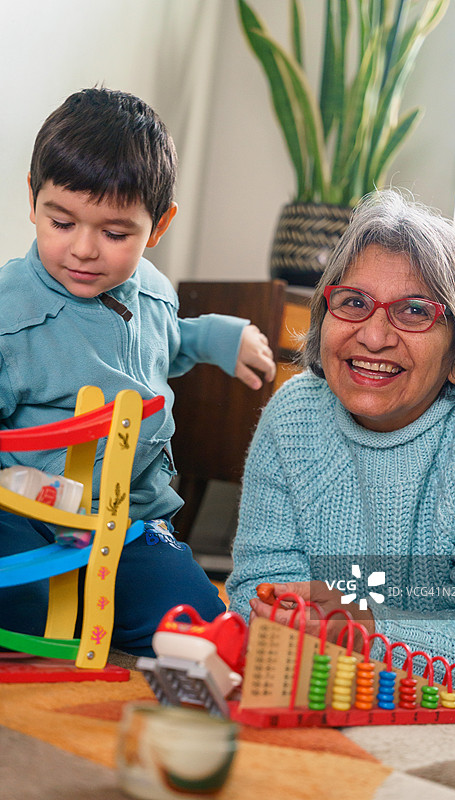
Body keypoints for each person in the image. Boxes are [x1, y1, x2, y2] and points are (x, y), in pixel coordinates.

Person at [0, 87, 276, 656]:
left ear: (158, 226)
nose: (82, 249)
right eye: (61, 221)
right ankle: (56, 606)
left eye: (114, 233)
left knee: (199, 629)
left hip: (127, 524)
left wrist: (222, 339)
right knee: (27, 610)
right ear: (32, 198)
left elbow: (166, 345)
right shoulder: (9, 311)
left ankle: (95, 601)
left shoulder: (153, 292)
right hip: (24, 516)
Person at [226, 189, 455, 695]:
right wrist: (284, 612)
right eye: (353, 303)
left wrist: (362, 630)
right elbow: (257, 591)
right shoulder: (293, 415)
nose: (372, 336)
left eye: (414, 311)